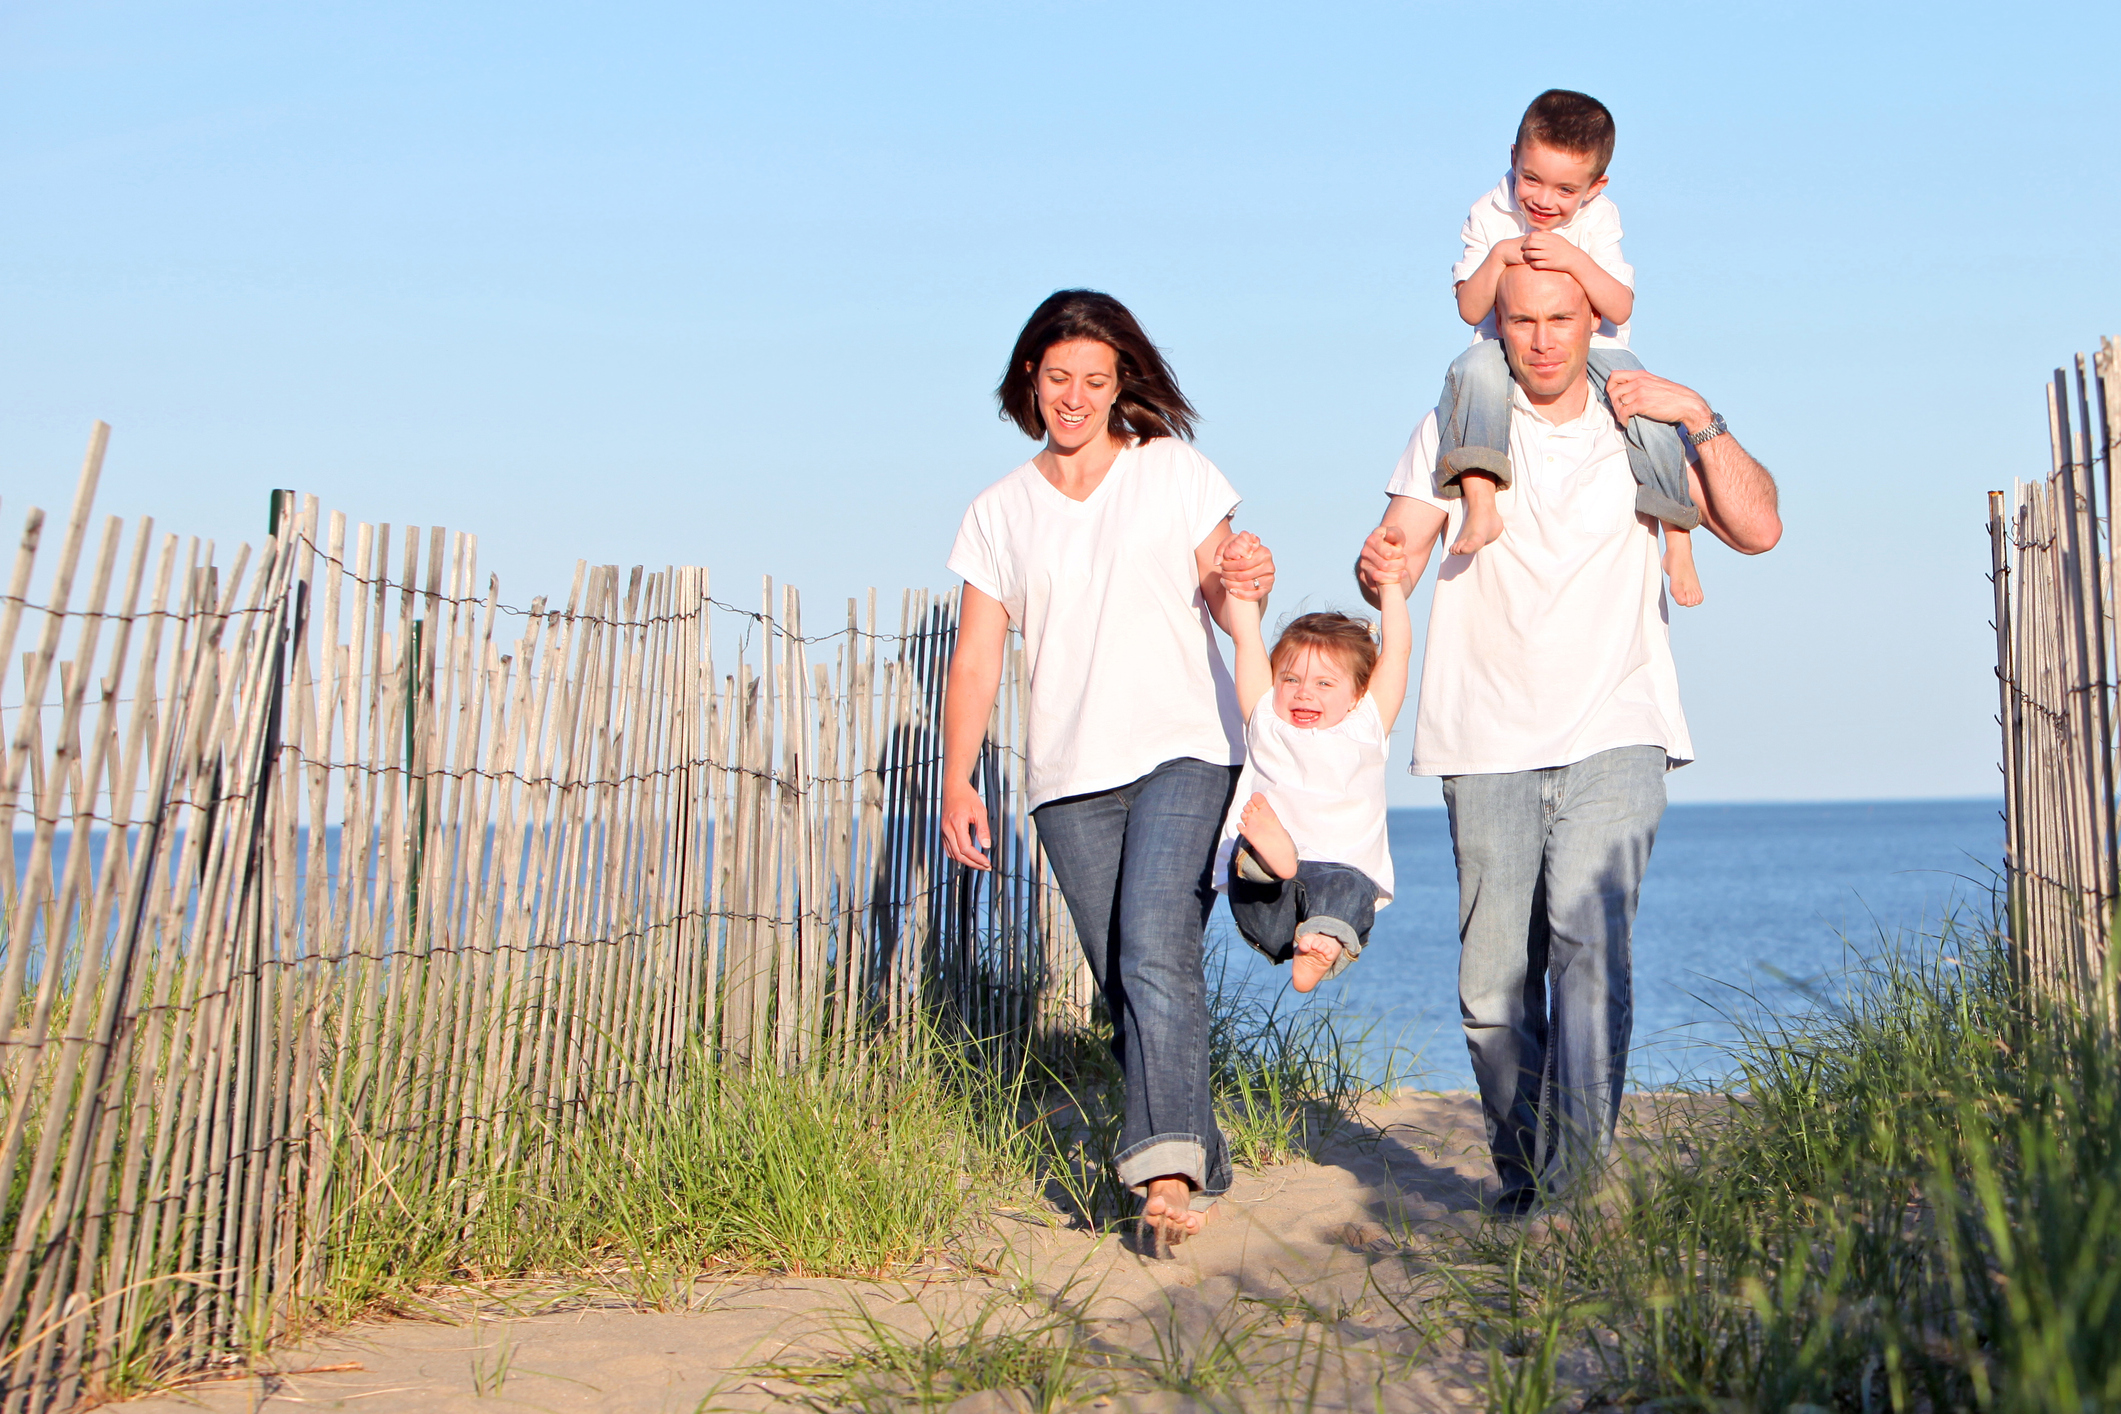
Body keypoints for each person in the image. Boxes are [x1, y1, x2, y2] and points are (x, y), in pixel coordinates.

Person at [1357, 261, 1781, 1216]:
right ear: (1496, 327)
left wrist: (1701, 414)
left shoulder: (1646, 423)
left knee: (1589, 951)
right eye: (1522, 321)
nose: (1542, 339)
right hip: (1483, 733)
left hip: (1617, 725)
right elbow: (1394, 547)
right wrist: (1379, 560)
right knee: (1492, 986)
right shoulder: (1457, 420)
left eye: (1561, 318)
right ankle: (1525, 1183)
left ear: (1595, 318)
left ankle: (1570, 1196)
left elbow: (1757, 529)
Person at [940, 289, 1275, 1251]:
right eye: (1057, 379)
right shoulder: (997, 512)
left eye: (1094, 379)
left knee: (1151, 949)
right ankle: (1193, 1140)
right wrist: (959, 778)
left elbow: (1225, 585)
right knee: (1122, 983)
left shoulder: (1171, 471)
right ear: (1029, 382)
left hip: (1185, 747)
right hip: (1068, 779)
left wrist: (1243, 571)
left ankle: (1162, 1179)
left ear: (1120, 381)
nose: (1075, 397)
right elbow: (975, 658)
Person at [1437, 89, 1705, 609]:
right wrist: (1498, 258)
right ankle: (1482, 500)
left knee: (1645, 403)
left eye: (1565, 189)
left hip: (1594, 352)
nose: (1542, 200)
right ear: (1514, 158)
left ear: (1594, 186)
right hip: (1505, 348)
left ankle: (1677, 535)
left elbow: (1620, 306)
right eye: (1531, 179)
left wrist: (1572, 259)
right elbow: (1471, 310)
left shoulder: (1599, 219)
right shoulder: (1488, 213)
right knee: (1471, 372)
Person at [1214, 538, 1412, 993]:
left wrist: (1390, 586)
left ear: (1358, 694)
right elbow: (1246, 640)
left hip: (1334, 882)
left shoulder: (1365, 726)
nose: (1304, 692)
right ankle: (1273, 854)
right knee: (1254, 852)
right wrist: (1243, 584)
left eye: (1325, 682)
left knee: (1350, 885)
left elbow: (1396, 652)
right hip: (1265, 894)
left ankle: (1319, 947)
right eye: (1292, 679)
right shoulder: (1266, 718)